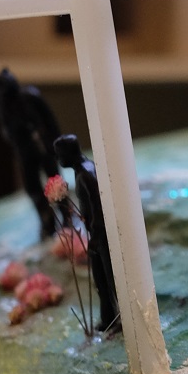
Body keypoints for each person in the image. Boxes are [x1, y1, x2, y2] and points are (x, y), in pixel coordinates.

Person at [53, 135, 119, 334]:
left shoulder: (86, 174)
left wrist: (96, 236)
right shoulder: (83, 170)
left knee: (109, 277)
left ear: (67, 153)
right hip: (96, 233)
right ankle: (109, 317)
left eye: (60, 155)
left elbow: (98, 207)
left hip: (101, 235)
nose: (59, 160)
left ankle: (120, 317)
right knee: (100, 278)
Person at [0, 69, 62, 238]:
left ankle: (66, 216)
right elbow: (6, 131)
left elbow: (49, 121)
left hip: (42, 146)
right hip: (25, 151)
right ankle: (47, 221)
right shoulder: (3, 105)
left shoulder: (30, 97)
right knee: (33, 188)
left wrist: (52, 142)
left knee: (55, 182)